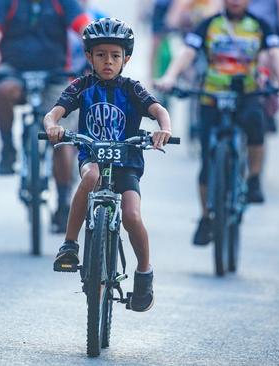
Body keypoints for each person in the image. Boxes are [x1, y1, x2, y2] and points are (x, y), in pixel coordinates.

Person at [43, 18, 173, 312]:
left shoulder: (132, 89)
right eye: (100, 55)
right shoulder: (82, 87)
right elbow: (53, 113)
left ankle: (143, 273)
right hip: (92, 157)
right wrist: (53, 126)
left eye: (115, 55)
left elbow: (158, 109)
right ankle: (70, 245)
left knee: (131, 215)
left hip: (127, 164)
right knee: (90, 178)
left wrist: (163, 128)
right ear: (89, 57)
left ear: (126, 59)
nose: (108, 62)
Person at [156, 0, 279, 245]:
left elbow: (274, 53)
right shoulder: (208, 25)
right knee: (206, 164)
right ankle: (205, 218)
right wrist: (170, 76)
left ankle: (253, 180)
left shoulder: (260, 25)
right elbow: (188, 52)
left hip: (247, 95)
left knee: (256, 125)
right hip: (211, 96)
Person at [0, 0, 91, 233]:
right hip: (14, 70)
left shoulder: (64, 2)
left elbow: (84, 28)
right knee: (2, 90)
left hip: (56, 74)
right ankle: (7, 148)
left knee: (61, 138)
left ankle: (63, 204)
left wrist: (94, 57)